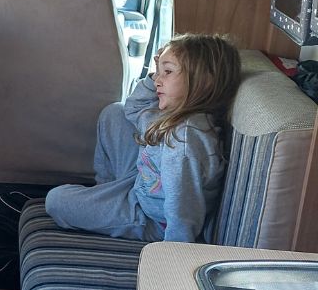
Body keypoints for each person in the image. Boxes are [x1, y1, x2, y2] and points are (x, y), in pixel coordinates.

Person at [45, 33, 242, 243]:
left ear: (204, 82)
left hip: (151, 219)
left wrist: (174, 249)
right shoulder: (172, 117)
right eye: (159, 73)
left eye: (167, 72)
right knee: (115, 113)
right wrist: (154, 73)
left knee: (56, 201)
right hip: (140, 183)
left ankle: (107, 205)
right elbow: (133, 108)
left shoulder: (184, 141)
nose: (158, 80)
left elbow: (183, 206)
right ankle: (105, 190)